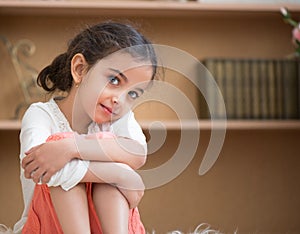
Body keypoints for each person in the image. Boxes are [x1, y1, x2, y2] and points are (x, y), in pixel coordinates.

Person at [13, 21, 158, 234]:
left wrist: (73, 147)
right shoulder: (40, 115)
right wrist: (123, 176)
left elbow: (137, 152)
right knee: (56, 148)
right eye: (114, 80)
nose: (120, 100)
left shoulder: (119, 118)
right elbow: (42, 170)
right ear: (80, 69)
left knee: (102, 158)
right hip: (47, 228)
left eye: (133, 94)